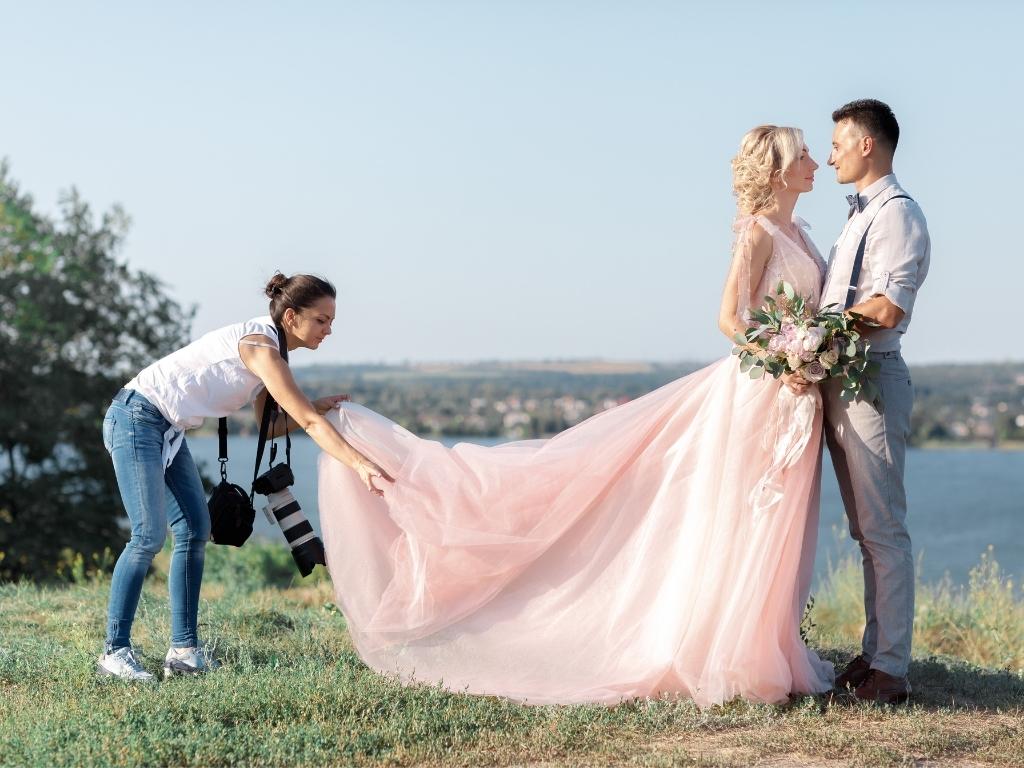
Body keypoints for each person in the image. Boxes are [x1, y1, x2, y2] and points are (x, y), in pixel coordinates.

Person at [316, 126, 835, 707]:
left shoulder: (802, 232)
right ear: (779, 168)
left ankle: (767, 645)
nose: (816, 160)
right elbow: (730, 319)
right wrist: (783, 355)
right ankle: (729, 652)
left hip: (796, 397)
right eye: (805, 153)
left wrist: (810, 354)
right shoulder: (758, 234)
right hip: (758, 394)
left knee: (778, 522)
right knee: (744, 516)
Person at [98, 273, 392, 681]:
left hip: (166, 429)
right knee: (148, 536)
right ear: (291, 316)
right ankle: (115, 653)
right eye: (322, 320)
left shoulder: (272, 350)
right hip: (136, 419)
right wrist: (359, 464)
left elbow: (270, 426)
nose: (329, 330)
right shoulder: (261, 349)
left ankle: (183, 652)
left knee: (194, 531)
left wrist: (318, 406)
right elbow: (304, 421)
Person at [822, 99, 930, 704]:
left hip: (872, 380)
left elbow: (887, 307)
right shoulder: (856, 216)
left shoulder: (898, 214)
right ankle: (874, 651)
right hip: (842, 381)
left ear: (868, 144)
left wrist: (815, 333)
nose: (831, 151)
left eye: (838, 141)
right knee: (865, 530)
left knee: (884, 530)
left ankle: (891, 669)